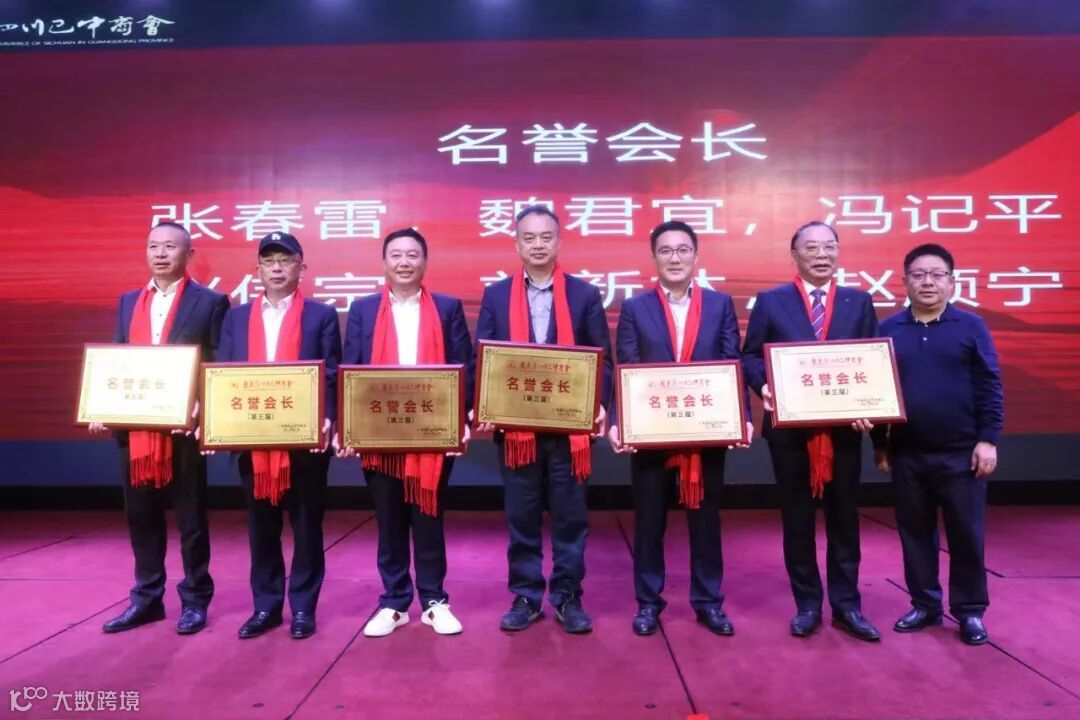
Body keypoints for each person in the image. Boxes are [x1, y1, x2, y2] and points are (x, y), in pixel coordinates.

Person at [609, 220, 752, 637]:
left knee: (706, 521)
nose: (675, 258)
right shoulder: (635, 308)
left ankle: (708, 602)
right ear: (655, 257)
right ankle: (648, 603)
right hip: (650, 432)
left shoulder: (719, 304)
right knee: (649, 522)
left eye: (683, 249)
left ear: (696, 255)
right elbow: (627, 367)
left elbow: (732, 363)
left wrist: (742, 415)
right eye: (666, 250)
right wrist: (619, 422)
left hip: (705, 430)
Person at [476, 204, 613, 634]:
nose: (538, 244)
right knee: (522, 517)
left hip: (570, 431)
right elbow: (485, 359)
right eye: (529, 237)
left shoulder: (584, 295)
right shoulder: (496, 295)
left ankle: (568, 596)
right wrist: (484, 402)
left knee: (571, 518)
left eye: (546, 236)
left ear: (559, 241)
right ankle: (526, 596)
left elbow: (603, 360)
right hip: (517, 431)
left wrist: (599, 403)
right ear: (517, 244)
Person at [741, 221, 881, 641]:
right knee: (798, 520)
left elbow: (873, 359)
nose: (822, 254)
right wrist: (764, 386)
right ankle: (806, 604)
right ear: (794, 255)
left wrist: (871, 407)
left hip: (843, 431)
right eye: (812, 247)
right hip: (790, 434)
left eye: (830, 246)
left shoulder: (859, 301)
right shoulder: (772, 301)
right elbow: (750, 356)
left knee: (845, 520)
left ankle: (847, 605)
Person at [93, 221, 229, 635]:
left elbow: (218, 361)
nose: (161, 253)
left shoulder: (210, 302)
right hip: (136, 429)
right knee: (141, 517)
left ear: (189, 255)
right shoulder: (129, 301)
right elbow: (117, 357)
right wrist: (100, 403)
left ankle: (195, 599)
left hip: (183, 428)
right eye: (154, 246)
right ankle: (147, 598)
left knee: (191, 520)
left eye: (170, 246)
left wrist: (204, 405)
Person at [340, 228, 474, 637]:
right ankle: (394, 603)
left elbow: (463, 364)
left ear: (424, 262)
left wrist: (462, 420)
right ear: (384, 263)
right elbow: (351, 367)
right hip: (379, 432)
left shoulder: (447, 308)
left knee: (429, 518)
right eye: (396, 255)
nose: (404, 262)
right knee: (389, 520)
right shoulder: (363, 309)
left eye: (412, 255)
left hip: (432, 431)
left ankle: (434, 601)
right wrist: (347, 425)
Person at [873, 243, 1003, 645]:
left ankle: (970, 611)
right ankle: (925, 604)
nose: (927, 282)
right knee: (914, 533)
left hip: (961, 452)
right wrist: (880, 444)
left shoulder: (971, 327)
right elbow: (876, 391)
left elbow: (989, 385)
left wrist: (988, 439)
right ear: (905, 282)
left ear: (951, 282)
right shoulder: (888, 330)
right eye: (918, 274)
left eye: (936, 274)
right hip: (907, 453)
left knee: (966, 534)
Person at [217, 232, 340, 640]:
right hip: (253, 441)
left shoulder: (321, 315)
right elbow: (223, 374)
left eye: (285, 260)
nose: (276, 268)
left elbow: (331, 374)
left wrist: (328, 418)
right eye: (268, 261)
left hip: (304, 443)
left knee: (306, 528)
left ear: (301, 267)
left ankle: (303, 607)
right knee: (261, 529)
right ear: (257, 270)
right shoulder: (236, 317)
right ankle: (266, 607)